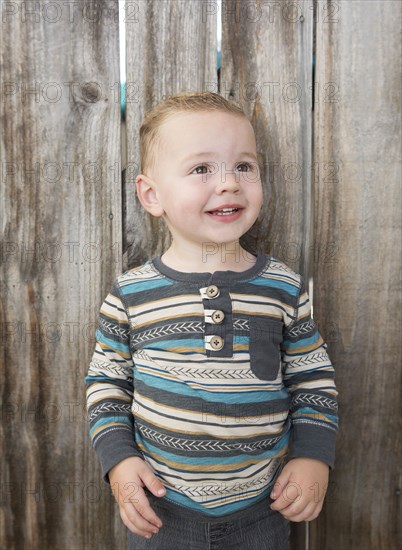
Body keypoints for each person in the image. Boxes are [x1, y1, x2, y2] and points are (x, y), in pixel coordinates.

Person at [84, 91, 338, 550]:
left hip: (261, 510)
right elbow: (106, 385)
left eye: (244, 166)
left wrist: (312, 457)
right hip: (162, 513)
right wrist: (119, 462)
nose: (229, 184)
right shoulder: (131, 294)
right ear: (152, 194)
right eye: (202, 169)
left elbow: (313, 380)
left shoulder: (283, 288)